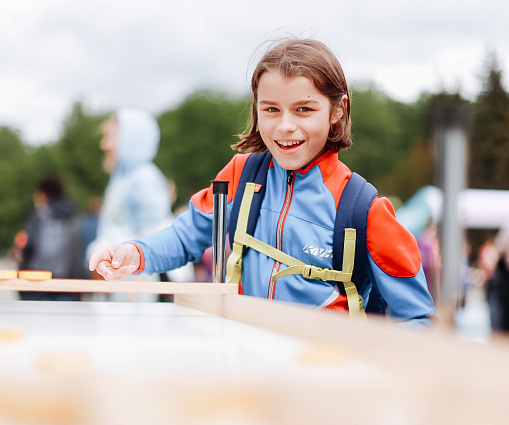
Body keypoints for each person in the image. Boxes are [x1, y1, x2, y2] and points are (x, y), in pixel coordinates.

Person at [89, 38, 435, 326]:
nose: (284, 126)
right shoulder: (240, 175)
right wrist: (134, 253)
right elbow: (185, 236)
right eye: (271, 109)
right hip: (246, 374)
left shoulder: (363, 209)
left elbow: (416, 316)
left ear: (337, 111)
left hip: (325, 386)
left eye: (304, 109)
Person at [87, 107, 193, 300]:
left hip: (134, 292)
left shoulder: (144, 178)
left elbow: (154, 235)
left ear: (132, 140)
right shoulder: (121, 178)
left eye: (111, 137)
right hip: (118, 288)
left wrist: (137, 287)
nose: (104, 144)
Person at [19, 176, 80, 300]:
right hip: (65, 283)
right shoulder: (72, 217)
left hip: (36, 281)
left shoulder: (37, 216)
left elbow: (28, 245)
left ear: (44, 194)